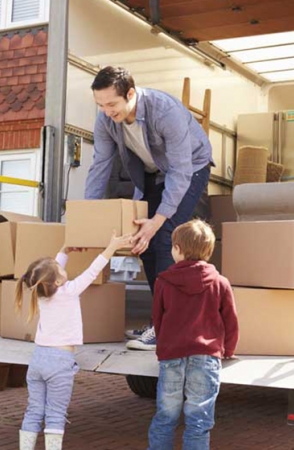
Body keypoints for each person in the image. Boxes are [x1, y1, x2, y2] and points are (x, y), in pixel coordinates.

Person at [84, 66, 213, 351]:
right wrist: (87, 215)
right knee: (142, 239)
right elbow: (100, 166)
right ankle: (160, 320)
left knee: (165, 235)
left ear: (130, 94)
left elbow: (180, 171)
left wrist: (158, 219)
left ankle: (167, 323)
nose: (106, 111)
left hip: (191, 169)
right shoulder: (105, 119)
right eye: (100, 105)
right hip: (154, 174)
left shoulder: (166, 111)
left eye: (112, 104)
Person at [17, 233, 133, 450]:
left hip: (38, 359)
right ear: (58, 281)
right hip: (59, 362)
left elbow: (48, 273)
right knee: (55, 414)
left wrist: (64, 250)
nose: (63, 270)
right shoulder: (68, 292)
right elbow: (92, 271)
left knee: (34, 410)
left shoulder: (41, 294)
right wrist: (111, 247)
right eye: (60, 270)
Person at [147, 220, 238, 450]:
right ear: (208, 250)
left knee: (165, 416)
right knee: (199, 420)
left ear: (177, 249)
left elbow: (157, 318)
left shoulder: (163, 282)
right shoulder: (220, 282)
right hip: (206, 356)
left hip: (172, 355)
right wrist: (229, 348)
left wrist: (162, 346)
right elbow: (231, 320)